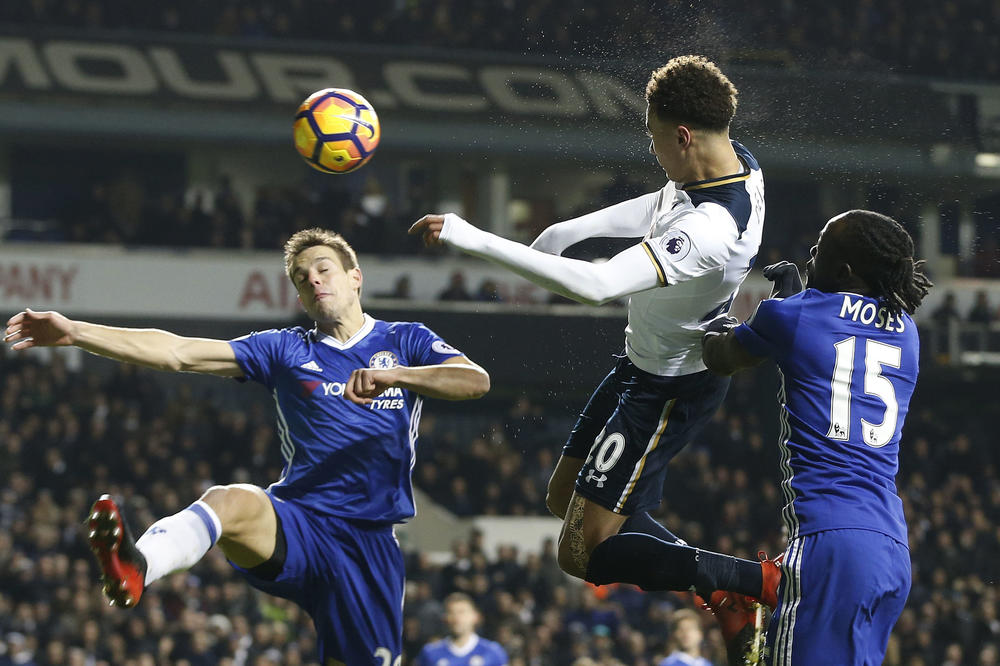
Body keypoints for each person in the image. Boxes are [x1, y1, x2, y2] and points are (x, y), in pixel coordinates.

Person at [410, 54, 778, 648]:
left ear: (683, 136)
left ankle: (749, 580)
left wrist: (471, 237)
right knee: (563, 496)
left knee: (581, 553)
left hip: (669, 388)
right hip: (641, 364)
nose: (653, 151)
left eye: (656, 139)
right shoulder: (737, 168)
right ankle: (722, 588)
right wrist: (572, 230)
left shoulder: (717, 226)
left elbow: (597, 286)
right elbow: (661, 206)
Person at [4, 228, 490, 666]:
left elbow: (476, 381)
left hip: (369, 542)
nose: (314, 281)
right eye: (302, 278)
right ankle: (138, 566)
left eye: (324, 269)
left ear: (355, 277)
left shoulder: (405, 340)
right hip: (300, 519)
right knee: (231, 499)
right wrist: (75, 333)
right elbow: (178, 352)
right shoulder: (286, 349)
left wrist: (396, 374)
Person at [701, 209, 933, 664]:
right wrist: (797, 304)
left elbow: (720, 356)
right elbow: (839, 331)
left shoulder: (793, 316)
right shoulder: (908, 333)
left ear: (844, 270)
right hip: (890, 549)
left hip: (832, 545)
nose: (810, 254)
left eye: (820, 248)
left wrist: (713, 317)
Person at [414, 592, 508, 666]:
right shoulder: (430, 653)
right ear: (445, 618)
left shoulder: (492, 652)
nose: (457, 618)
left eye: (462, 612)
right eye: (451, 612)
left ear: (475, 616)